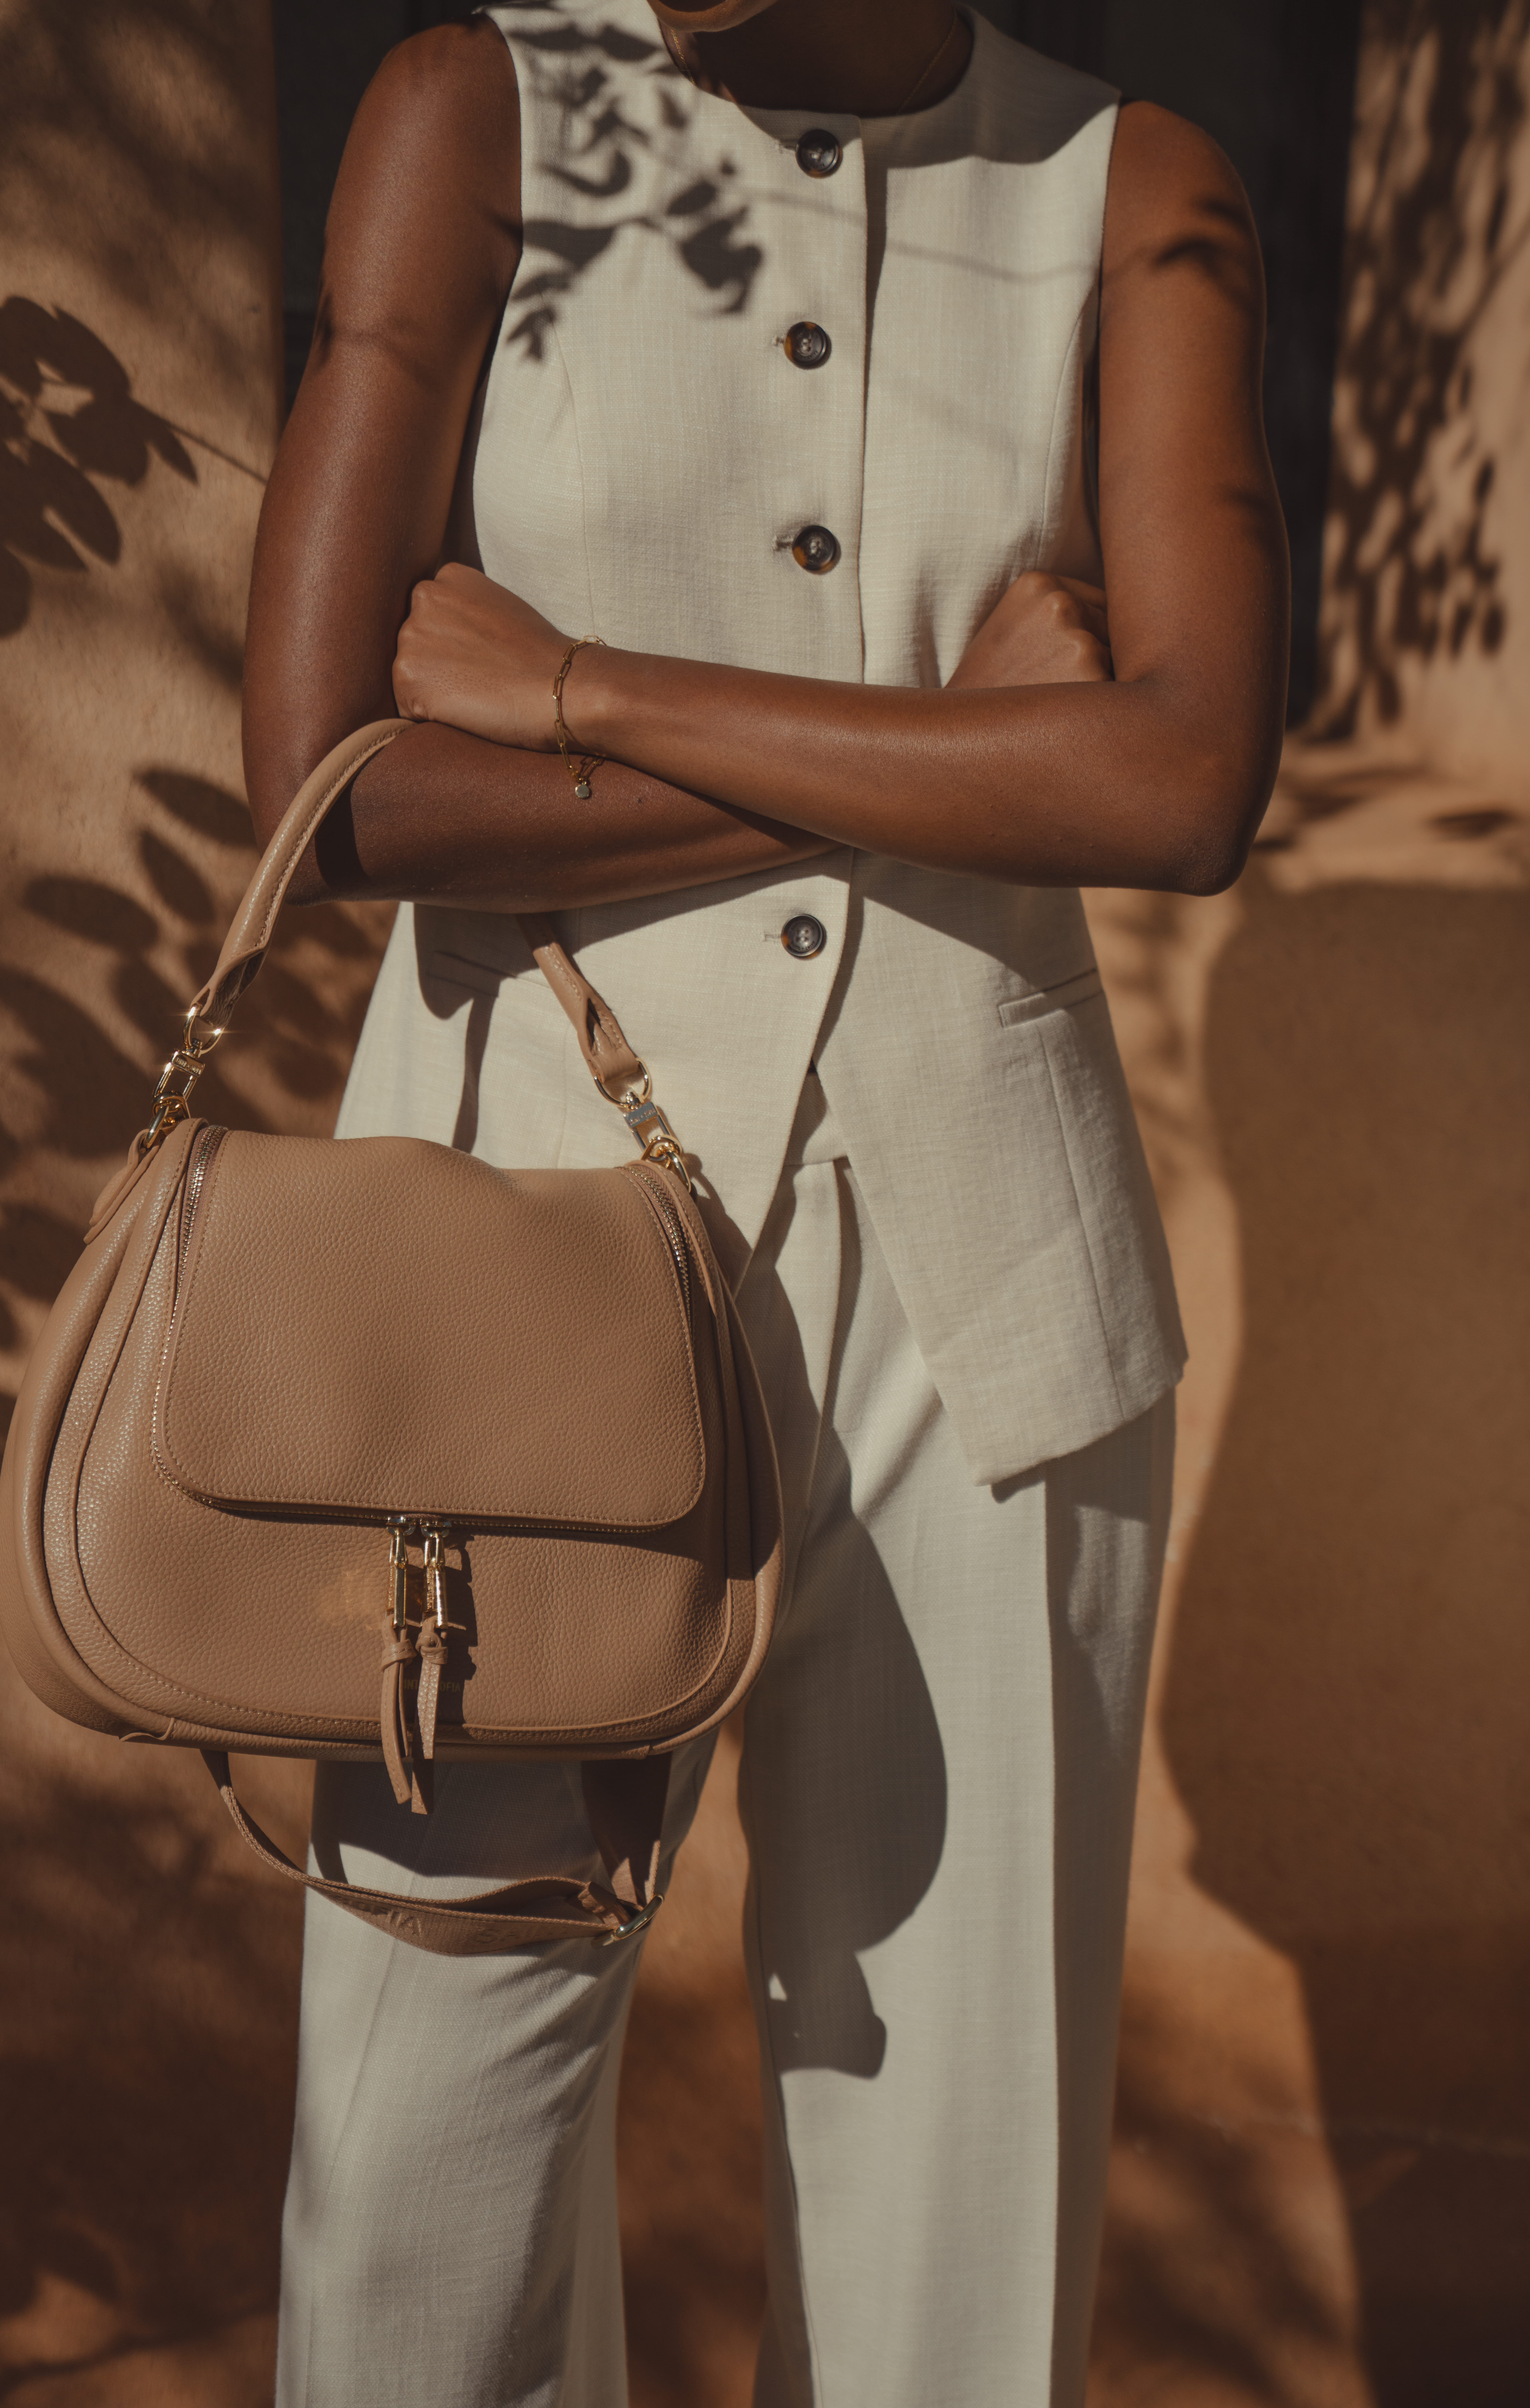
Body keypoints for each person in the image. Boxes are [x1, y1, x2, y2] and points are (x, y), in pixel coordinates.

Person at [242, 2, 1287, 2400]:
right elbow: (334, 783)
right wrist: (978, 752)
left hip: (993, 1316)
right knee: (418, 2174)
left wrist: (586, 688)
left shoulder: (1132, 187)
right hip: (503, 1285)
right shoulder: (477, 110)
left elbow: (1180, 778)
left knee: (956, 2205)